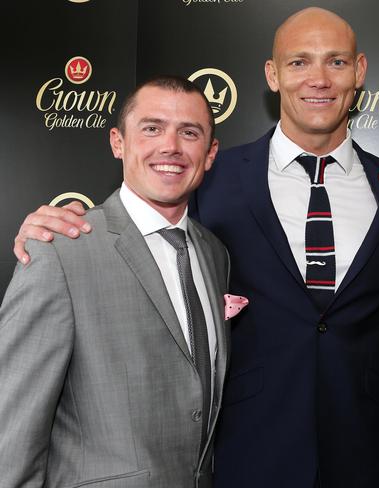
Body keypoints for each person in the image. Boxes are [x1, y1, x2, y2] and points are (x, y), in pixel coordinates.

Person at [11, 9, 379, 488]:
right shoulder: (209, 177)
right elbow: (144, 241)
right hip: (243, 456)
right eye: (299, 62)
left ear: (359, 72)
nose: (318, 79)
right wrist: (49, 225)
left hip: (365, 455)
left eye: (335, 61)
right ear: (272, 74)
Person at [0, 76, 231, 488]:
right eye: (152, 128)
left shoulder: (215, 254)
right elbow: (13, 432)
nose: (171, 147)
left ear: (210, 154)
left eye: (189, 132)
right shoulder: (60, 250)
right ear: (117, 142)